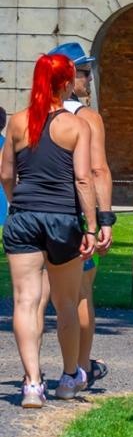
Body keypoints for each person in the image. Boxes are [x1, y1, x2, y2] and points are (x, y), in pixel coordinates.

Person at [1, 54, 106, 408]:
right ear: (65, 83)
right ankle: (67, 377)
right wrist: (92, 226)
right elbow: (82, 178)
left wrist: (20, 203)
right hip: (62, 219)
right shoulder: (77, 126)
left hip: (24, 217)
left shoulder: (17, 123)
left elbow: (5, 175)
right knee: (66, 302)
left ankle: (31, 383)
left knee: (26, 302)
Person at [48, 42, 113, 390]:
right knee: (81, 293)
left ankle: (32, 376)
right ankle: (80, 368)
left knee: (36, 298)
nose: (89, 79)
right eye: (85, 72)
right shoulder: (87, 118)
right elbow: (98, 170)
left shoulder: (35, 113)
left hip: (39, 215)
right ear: (71, 76)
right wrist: (104, 219)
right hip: (74, 215)